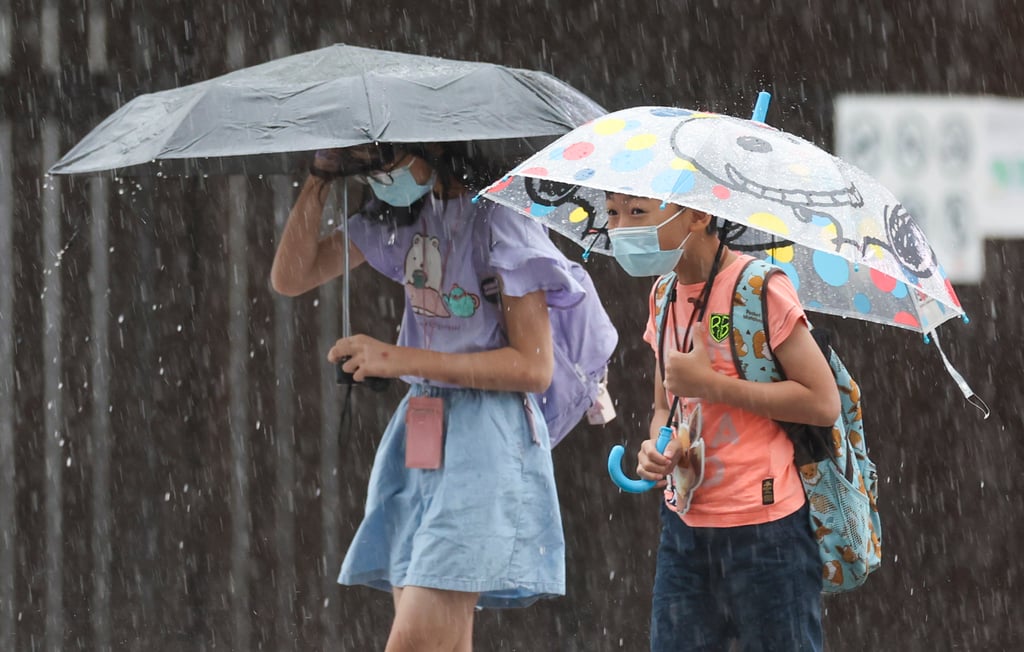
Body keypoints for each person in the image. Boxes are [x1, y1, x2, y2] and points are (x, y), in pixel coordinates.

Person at [271, 142, 595, 652]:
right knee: (443, 642)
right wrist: (319, 177)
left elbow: (533, 367)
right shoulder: (403, 218)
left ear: (435, 144)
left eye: (386, 159)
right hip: (420, 433)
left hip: (486, 439)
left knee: (417, 641)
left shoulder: (501, 221)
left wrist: (398, 359)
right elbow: (291, 276)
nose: (378, 174)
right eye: (366, 165)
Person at [603, 192, 840, 652]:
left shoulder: (758, 289)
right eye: (612, 214)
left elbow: (821, 401)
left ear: (697, 213)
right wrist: (659, 449)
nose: (621, 229)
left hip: (767, 536)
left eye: (637, 213)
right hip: (685, 531)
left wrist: (716, 387)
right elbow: (663, 408)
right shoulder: (663, 294)